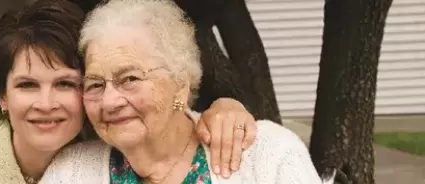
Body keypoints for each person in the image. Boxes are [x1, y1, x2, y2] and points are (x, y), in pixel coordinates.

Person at [0, 0, 257, 183]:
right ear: (3, 97)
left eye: (66, 83)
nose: (46, 104)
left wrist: (227, 106)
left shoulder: (111, 139)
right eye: (27, 85)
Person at [40, 0, 321, 183]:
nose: (110, 101)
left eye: (130, 78)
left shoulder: (268, 155)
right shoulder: (69, 173)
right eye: (96, 84)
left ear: (181, 83)